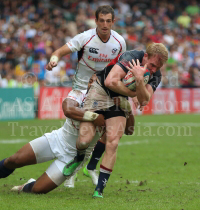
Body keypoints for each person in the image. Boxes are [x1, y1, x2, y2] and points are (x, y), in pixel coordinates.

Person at [63, 42, 169, 198]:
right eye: (152, 65)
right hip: (100, 91)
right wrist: (132, 94)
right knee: (84, 141)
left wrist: (139, 80)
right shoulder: (131, 57)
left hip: (118, 99)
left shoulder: (156, 74)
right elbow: (110, 82)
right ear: (145, 56)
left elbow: (145, 100)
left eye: (157, 68)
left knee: (112, 141)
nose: (153, 70)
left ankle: (99, 190)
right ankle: (79, 158)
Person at [0, 74, 134, 194]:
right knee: (13, 160)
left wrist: (128, 110)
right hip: (57, 139)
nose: (92, 84)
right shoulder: (79, 93)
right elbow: (68, 109)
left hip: (73, 157)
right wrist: (93, 117)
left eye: (96, 82)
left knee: (38, 190)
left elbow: (129, 131)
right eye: (90, 81)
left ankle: (25, 186)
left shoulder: (114, 106)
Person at [46, 5, 126, 187]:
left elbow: (119, 69)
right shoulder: (85, 37)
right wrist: (54, 60)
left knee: (98, 135)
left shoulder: (120, 42)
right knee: (71, 116)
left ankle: (83, 166)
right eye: (101, 20)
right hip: (81, 88)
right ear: (96, 21)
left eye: (108, 21)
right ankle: (77, 161)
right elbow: (58, 52)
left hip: (104, 93)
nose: (105, 25)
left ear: (113, 22)